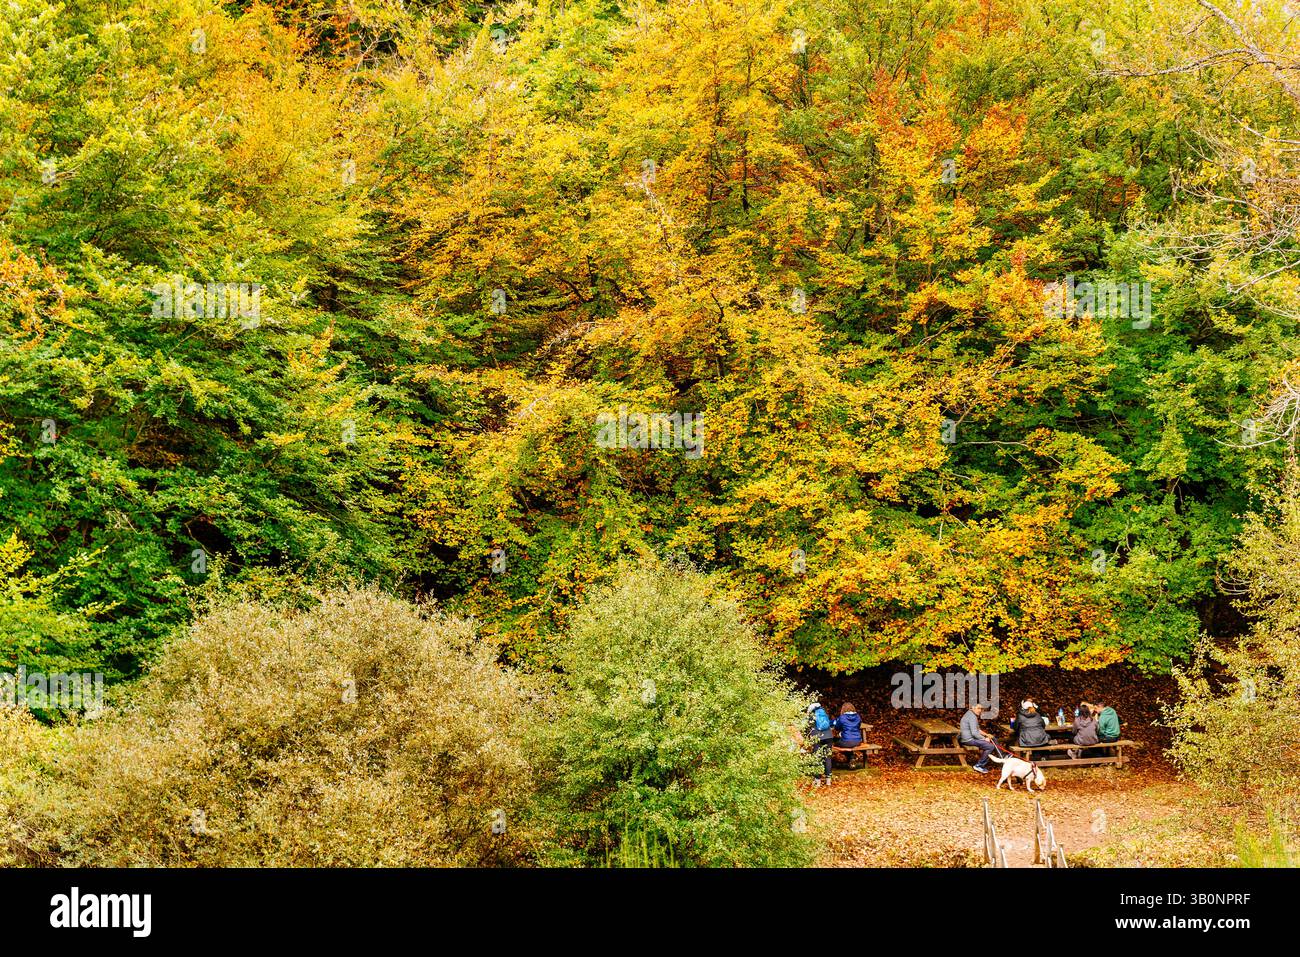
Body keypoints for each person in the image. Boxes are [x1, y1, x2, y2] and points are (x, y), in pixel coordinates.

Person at [959, 703, 1002, 774]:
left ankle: (1002, 756)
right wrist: (984, 739)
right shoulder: (972, 717)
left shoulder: (971, 714)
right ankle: (979, 765)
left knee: (992, 738)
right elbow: (974, 733)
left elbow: (978, 729)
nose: (980, 710)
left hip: (971, 738)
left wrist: (987, 735)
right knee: (990, 746)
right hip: (968, 740)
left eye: (981, 709)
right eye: (978, 708)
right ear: (972, 708)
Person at [804, 701, 835, 786]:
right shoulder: (824, 713)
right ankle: (828, 780)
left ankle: (817, 780)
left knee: (816, 758)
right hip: (829, 737)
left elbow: (806, 727)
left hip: (817, 738)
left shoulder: (811, 716)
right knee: (827, 757)